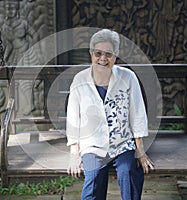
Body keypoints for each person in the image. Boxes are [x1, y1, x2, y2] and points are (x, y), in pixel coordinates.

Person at [66, 29, 155, 200]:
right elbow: (73, 118)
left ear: (116, 55)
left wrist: (141, 152)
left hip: (122, 143)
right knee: (93, 180)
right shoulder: (79, 80)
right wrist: (74, 155)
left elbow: (137, 114)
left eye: (108, 54)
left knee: (128, 172)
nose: (102, 59)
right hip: (92, 144)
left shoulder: (128, 77)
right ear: (91, 53)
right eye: (98, 53)